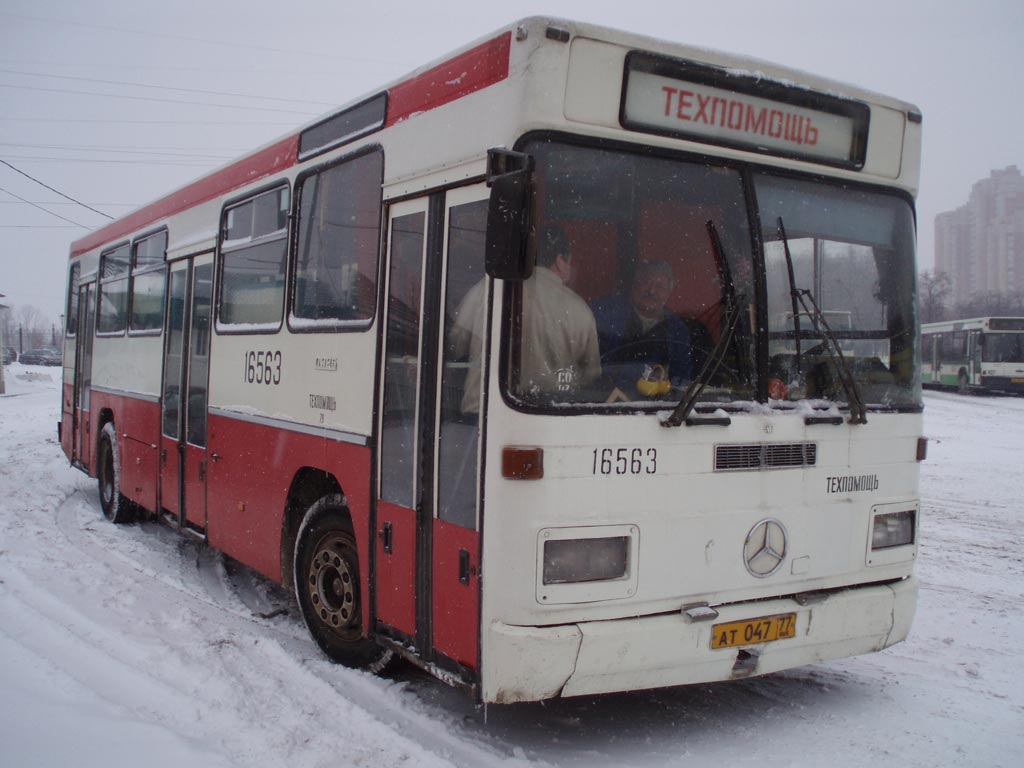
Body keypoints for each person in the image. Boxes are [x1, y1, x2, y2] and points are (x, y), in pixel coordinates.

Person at [449, 227, 600, 411]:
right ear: (560, 261)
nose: (570, 268)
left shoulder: (484, 291)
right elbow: (591, 377)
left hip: (482, 415)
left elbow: (455, 346)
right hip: (546, 418)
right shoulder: (580, 310)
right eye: (570, 262)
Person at [591, 260, 691, 394]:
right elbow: (591, 366)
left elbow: (681, 381)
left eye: (660, 287)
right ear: (634, 284)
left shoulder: (677, 330)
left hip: (656, 408)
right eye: (645, 283)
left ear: (669, 293)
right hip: (603, 402)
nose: (652, 291)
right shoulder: (605, 314)